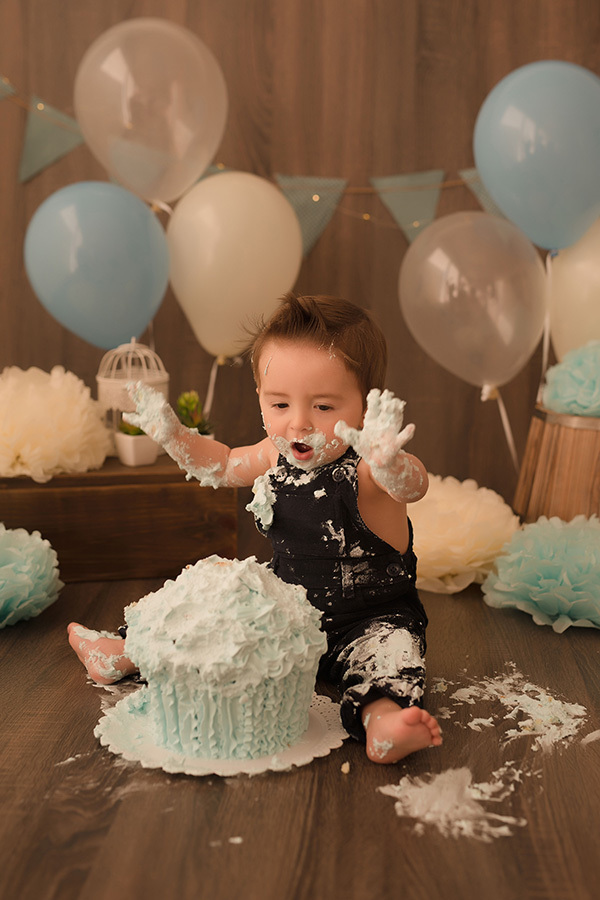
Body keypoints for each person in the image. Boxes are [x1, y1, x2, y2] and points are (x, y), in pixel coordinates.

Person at [69, 293, 441, 764]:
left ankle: (383, 720)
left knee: (389, 660)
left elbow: (414, 485)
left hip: (369, 622)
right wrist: (175, 437)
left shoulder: (368, 471)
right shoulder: (273, 453)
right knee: (209, 616)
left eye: (324, 407)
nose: (299, 422)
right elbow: (222, 463)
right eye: (280, 403)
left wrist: (390, 461)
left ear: (366, 410)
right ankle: (124, 651)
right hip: (284, 617)